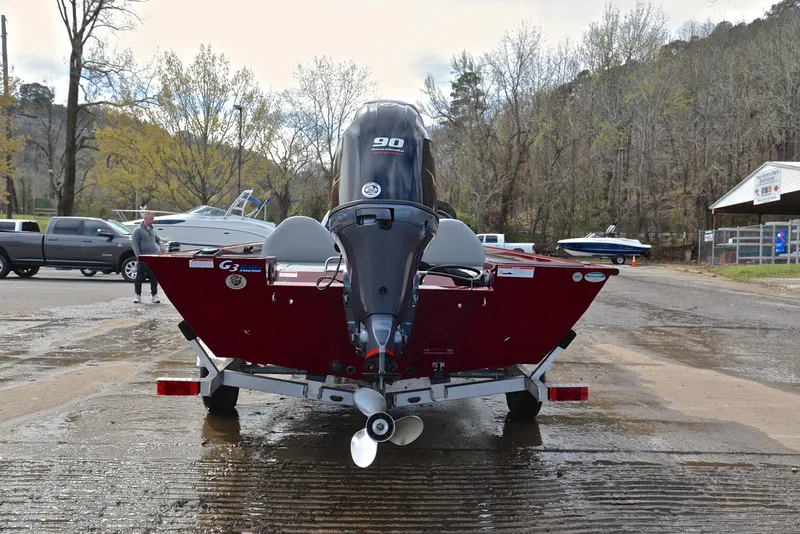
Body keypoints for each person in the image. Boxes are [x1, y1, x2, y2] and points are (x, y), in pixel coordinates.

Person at [131, 211, 166, 303]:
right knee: (139, 277)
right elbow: (135, 245)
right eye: (151, 219)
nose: (152, 221)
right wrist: (139, 257)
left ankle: (154, 295)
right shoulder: (138, 231)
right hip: (143, 257)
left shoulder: (152, 230)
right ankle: (137, 295)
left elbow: (157, 239)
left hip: (153, 257)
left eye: (153, 219)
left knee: (154, 277)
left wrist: (161, 243)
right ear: (145, 218)